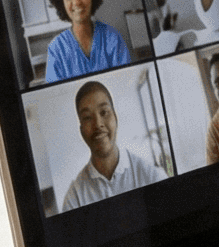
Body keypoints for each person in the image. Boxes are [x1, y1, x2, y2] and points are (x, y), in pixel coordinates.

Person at [58, 81, 162, 210]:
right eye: (87, 118)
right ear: (81, 131)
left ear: (116, 118)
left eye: (104, 112)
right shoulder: (74, 199)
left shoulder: (151, 176)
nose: (98, 124)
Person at [39, 0, 128, 80]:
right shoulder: (57, 51)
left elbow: (126, 83)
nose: (76, 2)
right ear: (61, 2)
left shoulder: (112, 39)